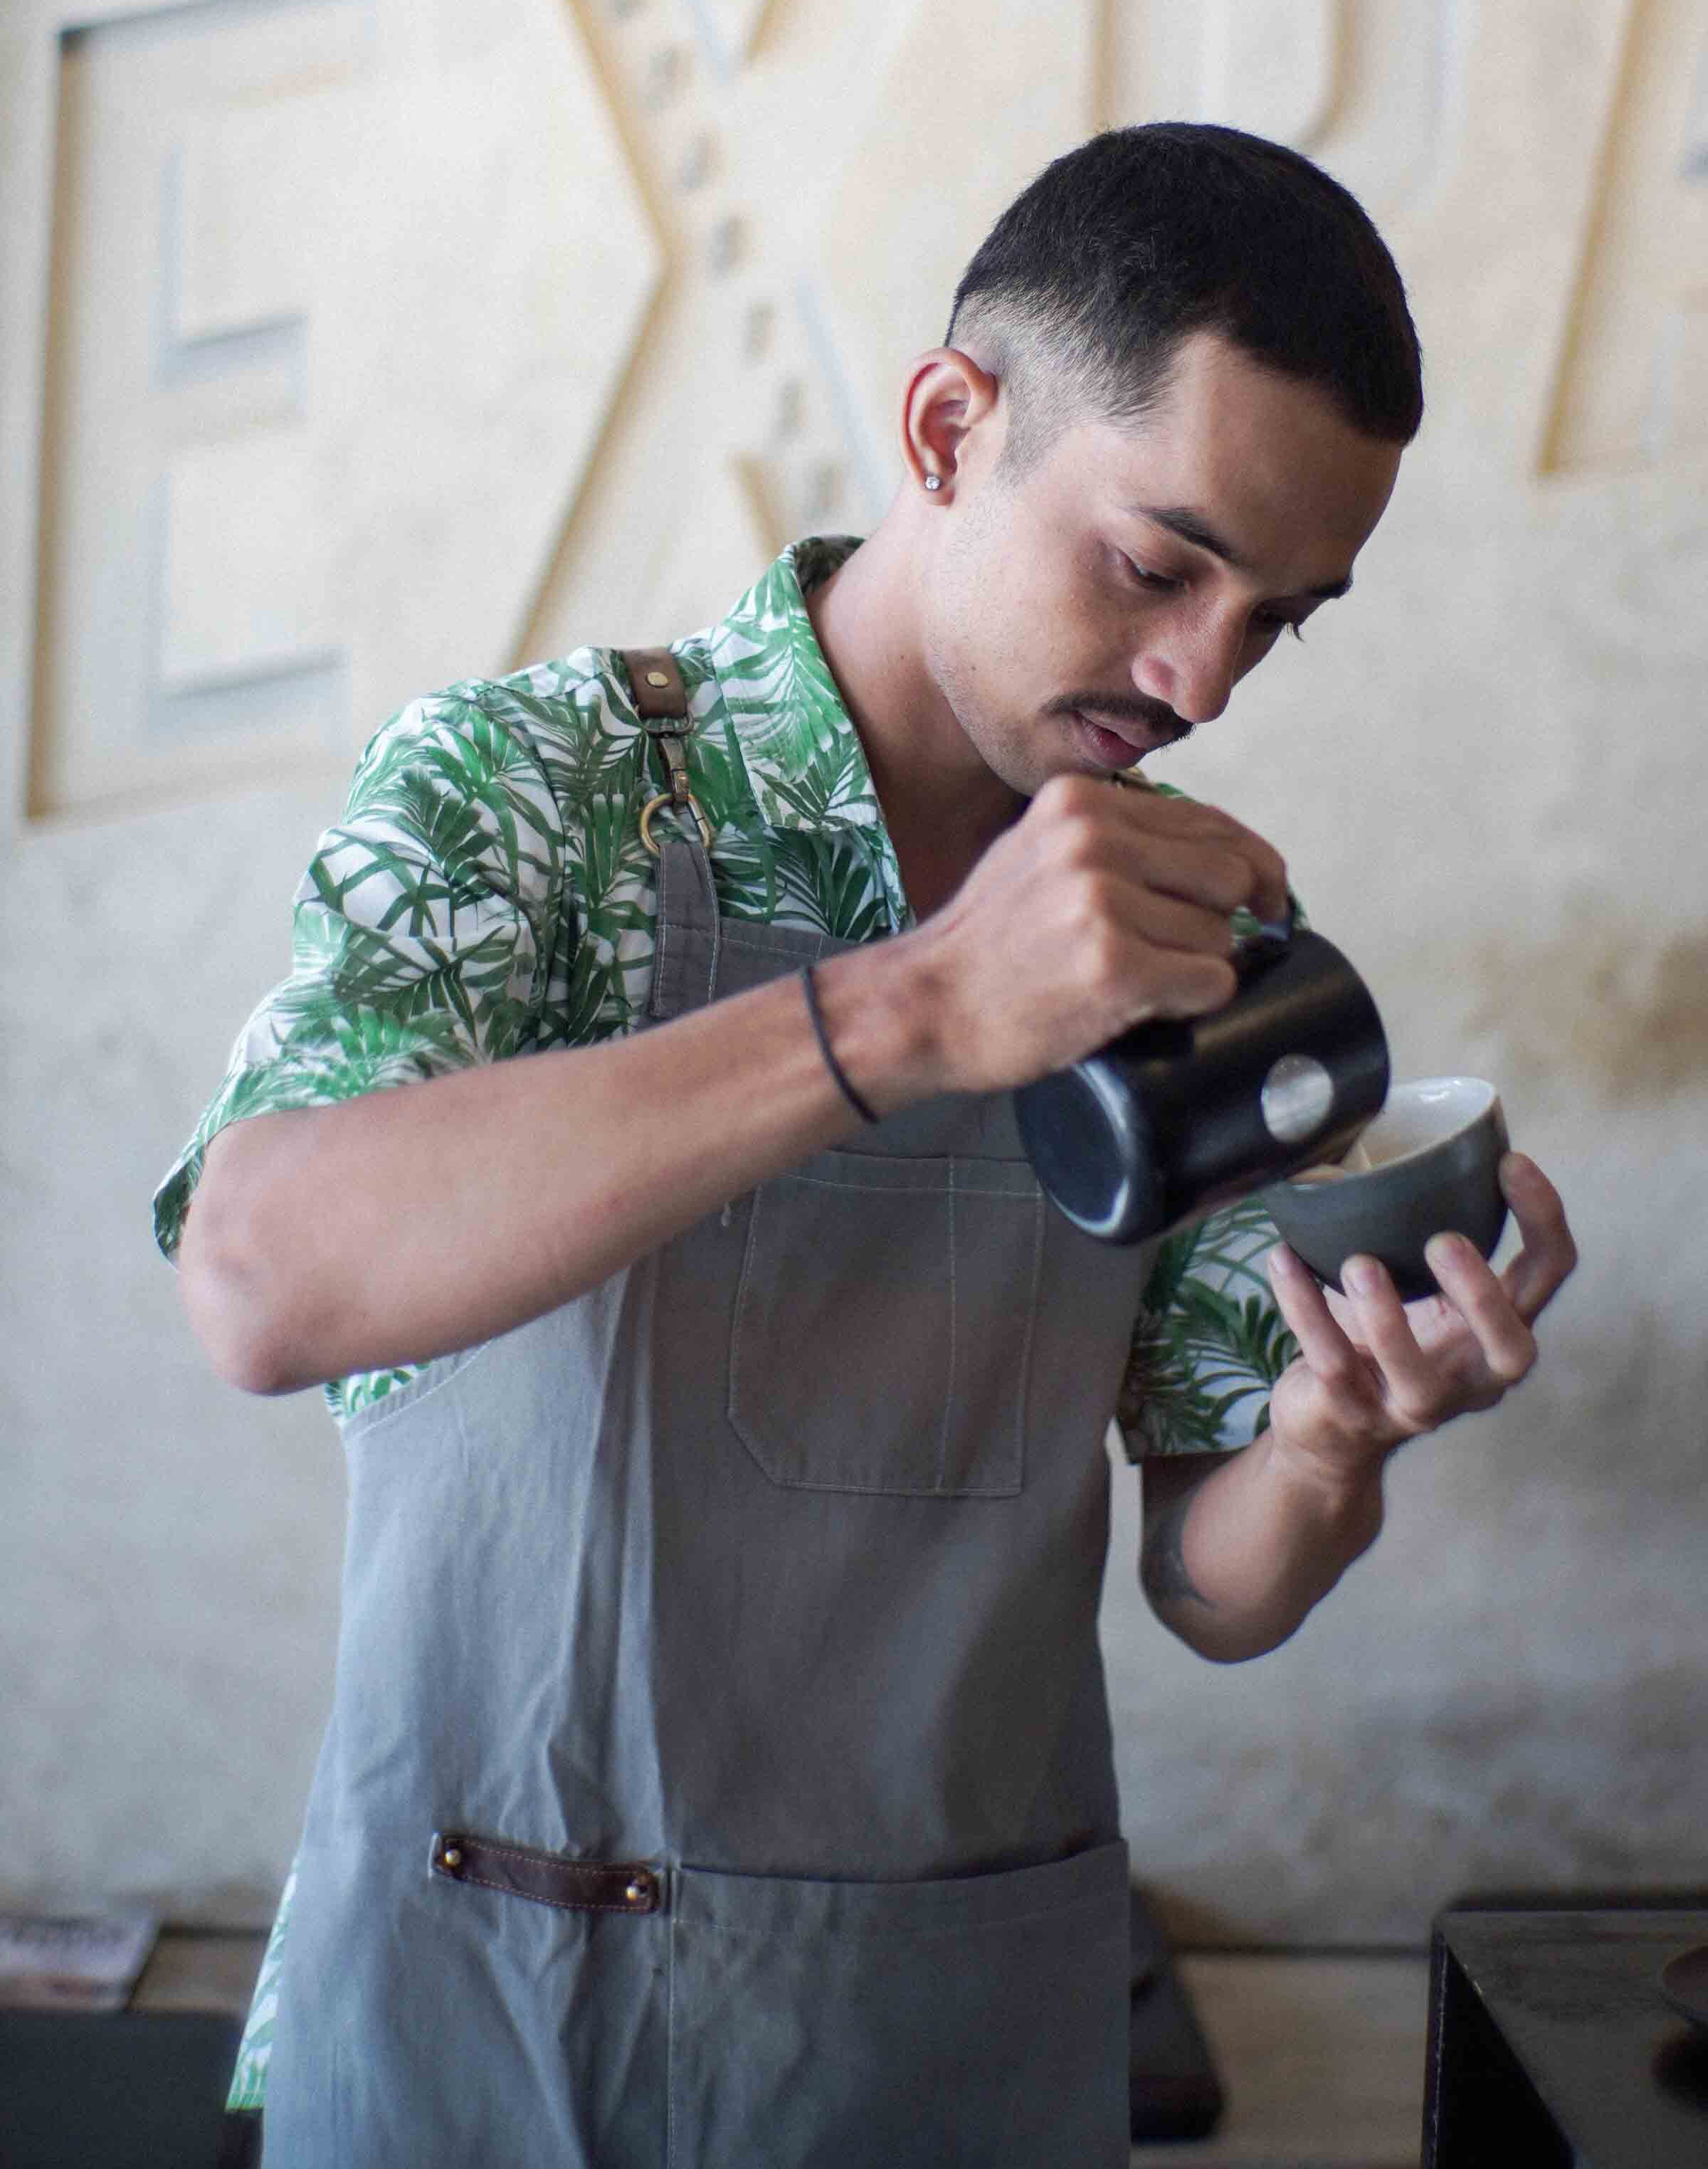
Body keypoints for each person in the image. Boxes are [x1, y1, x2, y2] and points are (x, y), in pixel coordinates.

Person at [160, 121, 1575, 2167]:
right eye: (1158, 563)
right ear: (944, 425)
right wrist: (915, 1008)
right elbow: (258, 1276)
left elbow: (1214, 1576)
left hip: (944, 2055)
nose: (1201, 681)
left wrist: (1336, 1445)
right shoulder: (534, 794)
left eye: (1281, 617)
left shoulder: (1202, 940)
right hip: (480, 2033)